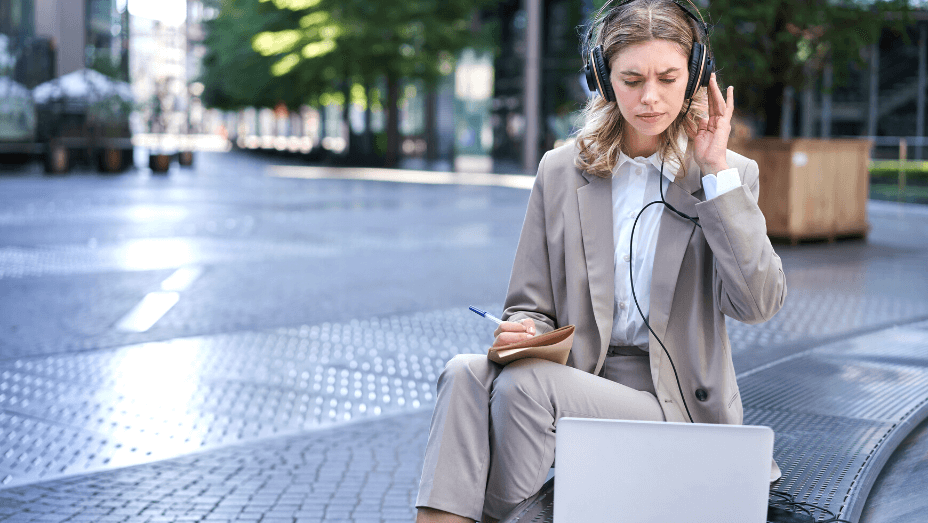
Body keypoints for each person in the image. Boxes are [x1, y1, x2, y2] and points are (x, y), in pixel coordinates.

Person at [415, 1, 787, 522]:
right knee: (462, 374)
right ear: (604, 80)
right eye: (631, 79)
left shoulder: (727, 176)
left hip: (671, 401)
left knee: (525, 386)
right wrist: (526, 328)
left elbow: (759, 303)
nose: (650, 97)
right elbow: (532, 301)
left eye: (667, 77)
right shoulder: (561, 170)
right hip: (575, 373)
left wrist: (715, 174)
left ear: (696, 75)